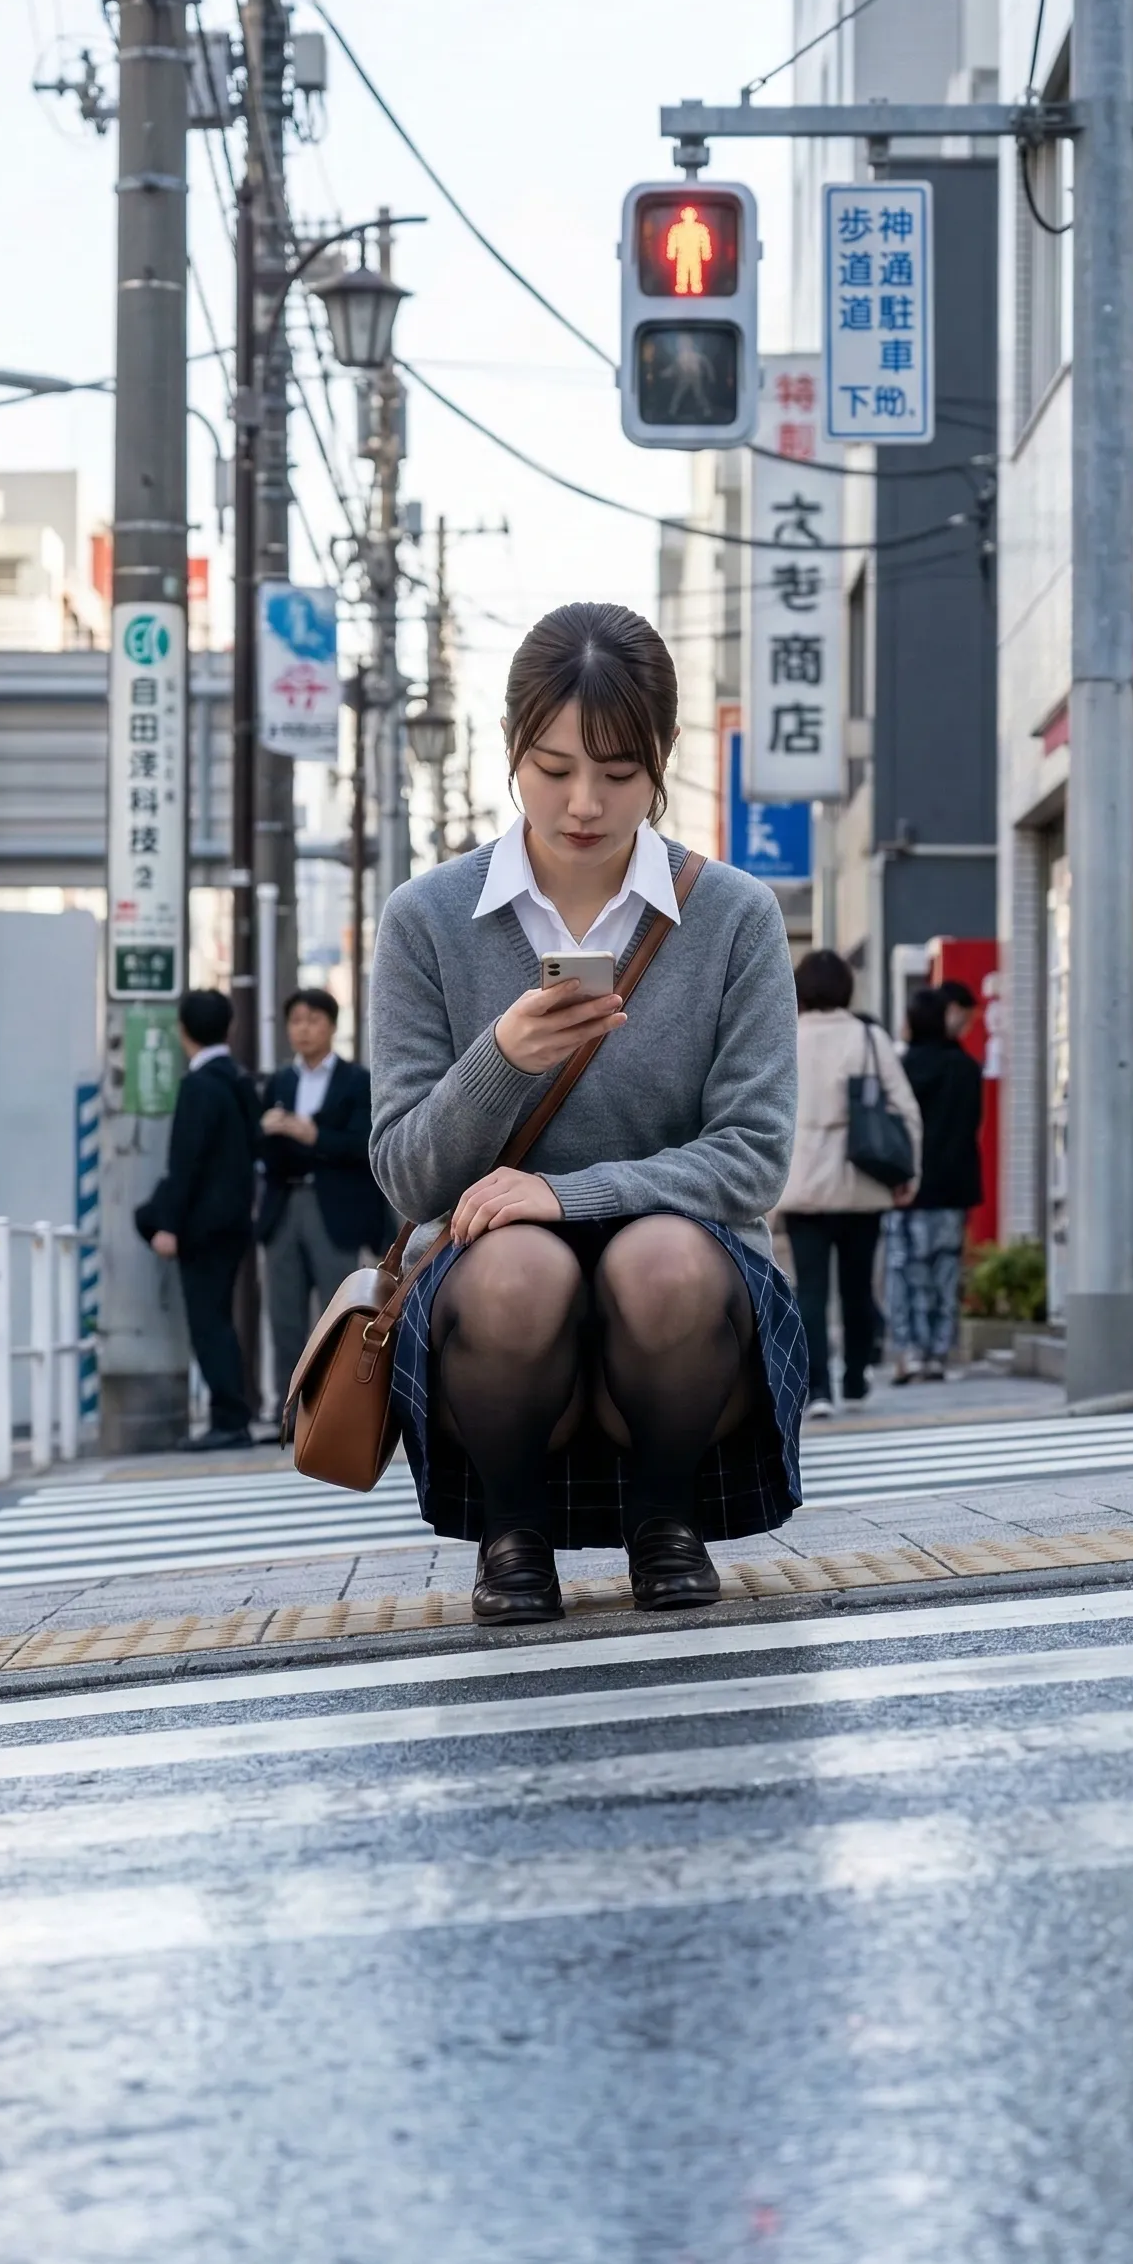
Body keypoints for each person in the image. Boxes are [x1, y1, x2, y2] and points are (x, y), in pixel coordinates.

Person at [367, 599, 805, 1626]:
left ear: (662, 764)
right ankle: (511, 1534)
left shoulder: (732, 916)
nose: (584, 803)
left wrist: (563, 1196)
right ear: (510, 748)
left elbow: (752, 1161)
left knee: (656, 1256)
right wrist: (502, 1060)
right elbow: (406, 1175)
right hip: (500, 1317)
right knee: (519, 1266)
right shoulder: (427, 919)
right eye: (555, 767)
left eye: (618, 773)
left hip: (687, 1306)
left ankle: (667, 1520)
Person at [778, 950, 921, 1417]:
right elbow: (904, 1110)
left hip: (803, 1183)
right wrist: (909, 1173)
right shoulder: (868, 1036)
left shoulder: (785, 1034)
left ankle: (817, 1388)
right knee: (859, 1288)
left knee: (811, 1291)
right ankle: (856, 1378)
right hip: (863, 1181)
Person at [134, 988, 262, 1451]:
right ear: (227, 1027)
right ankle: (235, 1413)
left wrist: (166, 1224)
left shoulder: (199, 1085)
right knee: (221, 1319)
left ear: (182, 1030)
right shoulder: (240, 1081)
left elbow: (185, 1162)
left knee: (209, 1323)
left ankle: (229, 1419)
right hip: (235, 1222)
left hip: (202, 1227)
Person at [257, 985, 381, 1400]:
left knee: (338, 1307)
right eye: (295, 1021)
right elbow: (261, 1153)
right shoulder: (279, 1081)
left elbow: (364, 1144)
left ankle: (338, 1404)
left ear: (331, 1026)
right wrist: (270, 1131)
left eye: (313, 1020)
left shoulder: (355, 1080)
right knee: (284, 1313)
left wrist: (313, 1135)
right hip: (284, 1204)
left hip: (333, 1208)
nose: (303, 1030)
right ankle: (288, 1407)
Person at [887, 983, 984, 1384]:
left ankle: (911, 1350)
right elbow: (972, 1125)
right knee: (945, 1272)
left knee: (906, 1272)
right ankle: (939, 1354)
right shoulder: (966, 1068)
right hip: (954, 1186)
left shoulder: (902, 1069)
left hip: (908, 1187)